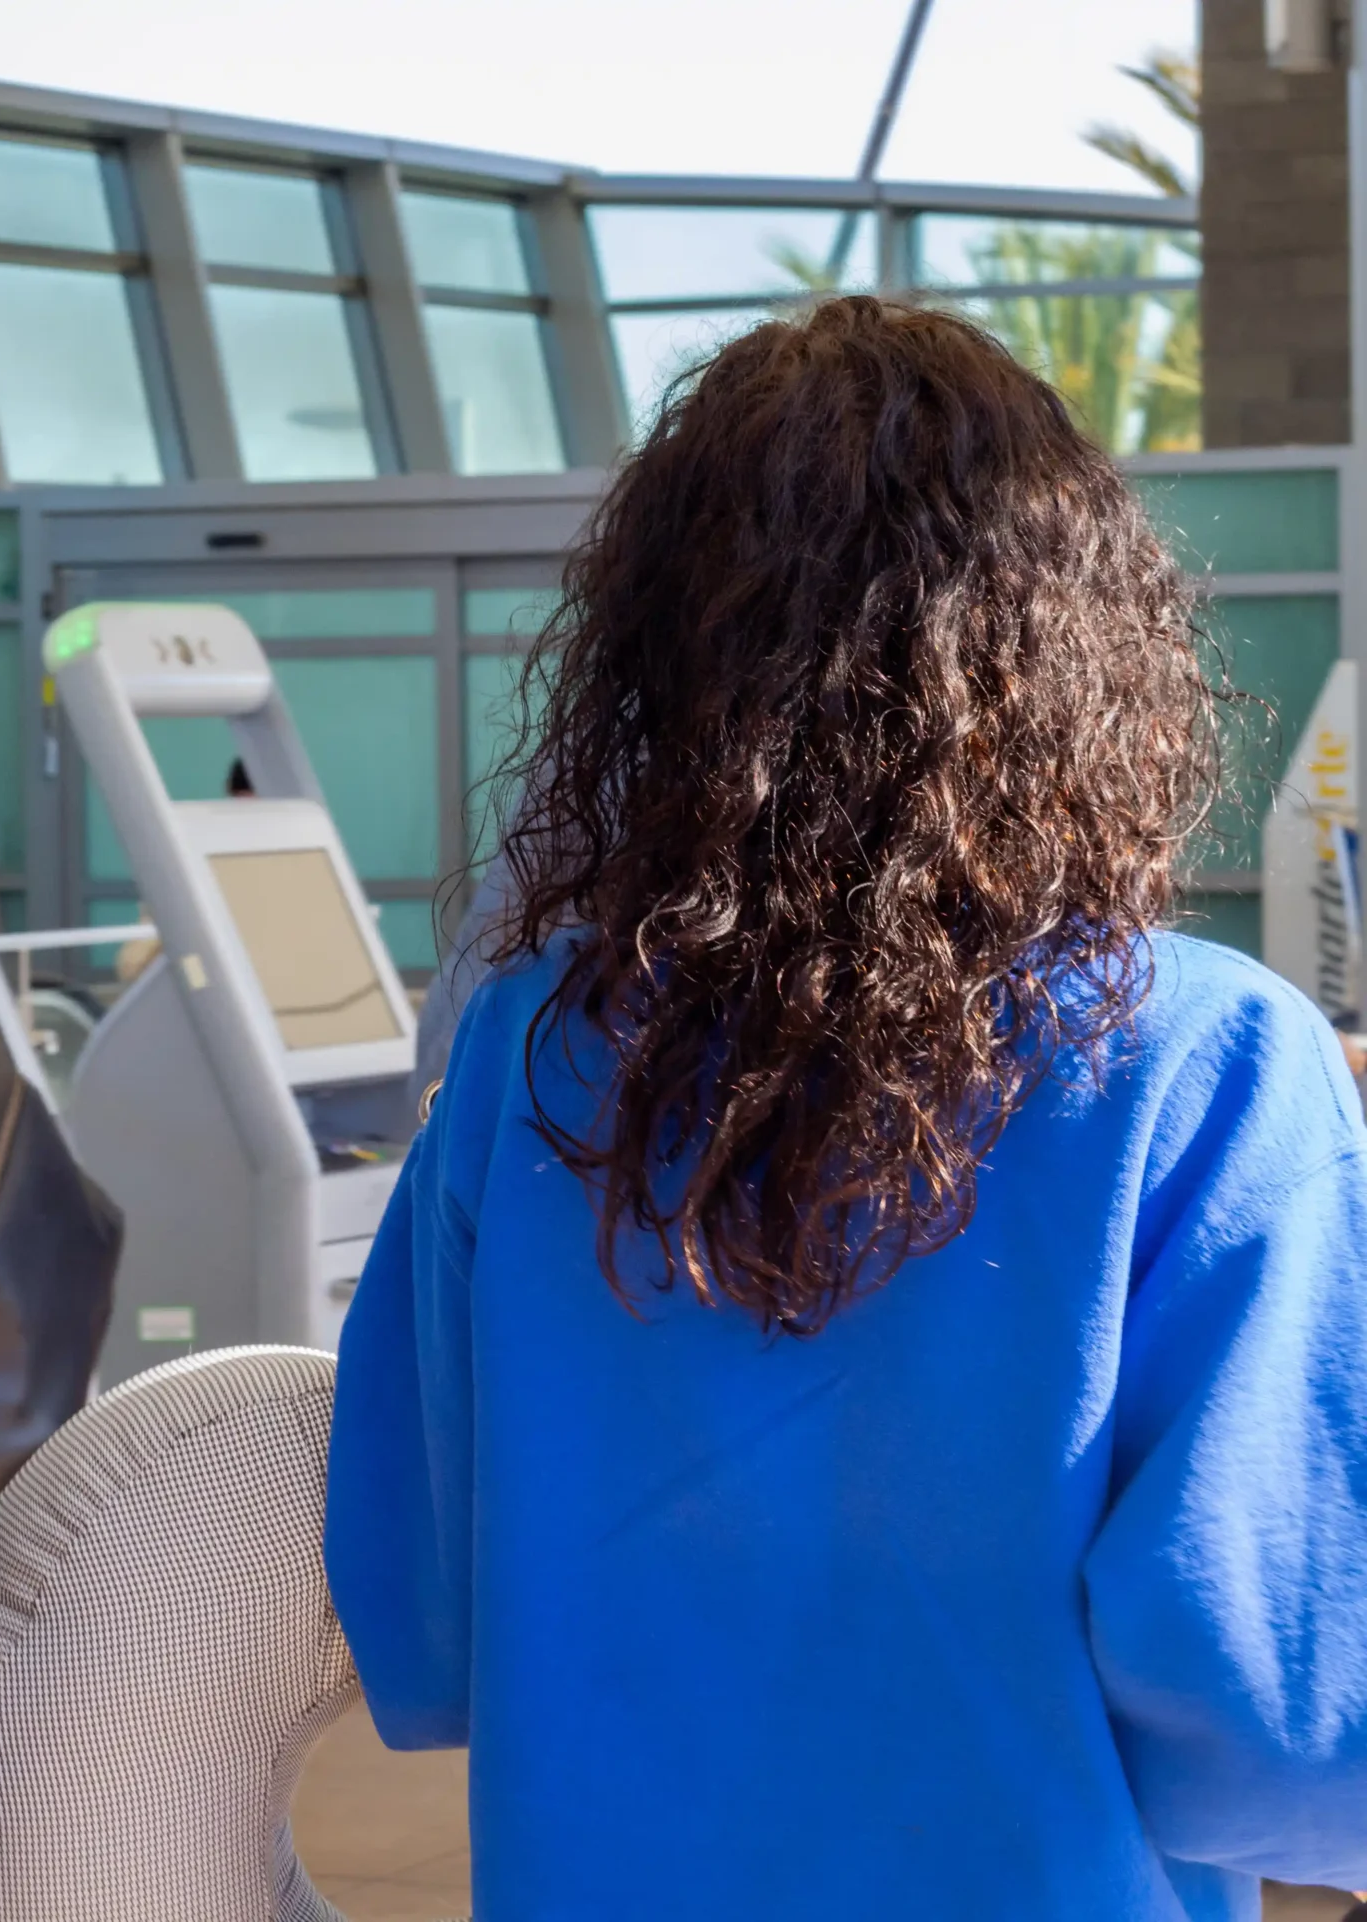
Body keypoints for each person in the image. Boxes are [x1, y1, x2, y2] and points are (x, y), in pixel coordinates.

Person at [325, 298, 1367, 1920]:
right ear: (1085, 656)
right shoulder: (1204, 1061)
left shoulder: (530, 1049)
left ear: (659, 663)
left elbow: (427, 1620)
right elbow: (1283, 1729)